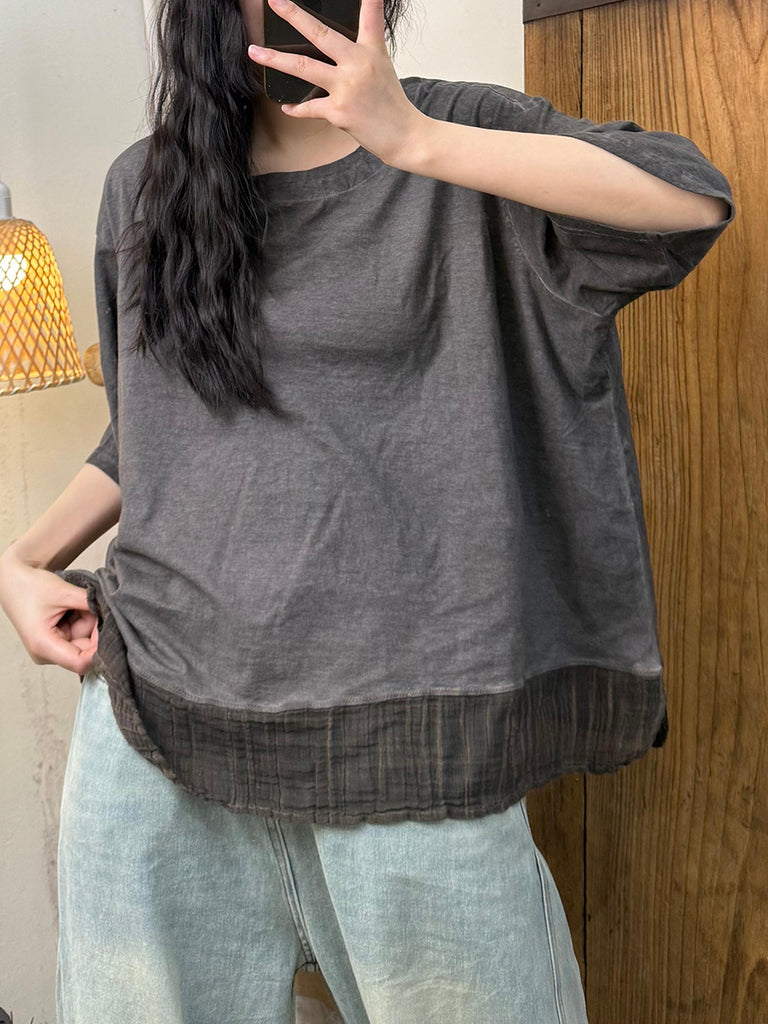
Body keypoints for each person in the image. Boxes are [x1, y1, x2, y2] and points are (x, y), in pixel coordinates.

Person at [0, 0, 735, 1021]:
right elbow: (155, 432)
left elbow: (689, 203)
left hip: (412, 741)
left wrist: (412, 140)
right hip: (156, 727)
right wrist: (23, 559)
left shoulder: (466, 135)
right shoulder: (148, 185)